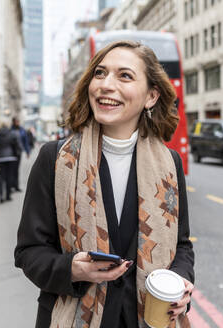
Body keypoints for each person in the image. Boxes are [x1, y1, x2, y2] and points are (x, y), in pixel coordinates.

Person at [14, 40, 195, 328]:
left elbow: (182, 245)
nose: (105, 85)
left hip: (149, 319)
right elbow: (28, 252)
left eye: (124, 75)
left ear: (151, 96)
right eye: (100, 73)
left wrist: (182, 283)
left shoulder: (169, 164)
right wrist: (70, 269)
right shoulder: (54, 159)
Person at [0, 121, 21, 203]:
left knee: (1, 177)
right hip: (11, 157)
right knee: (9, 176)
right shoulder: (12, 134)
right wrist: (16, 155)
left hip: (1, 158)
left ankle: (1, 196)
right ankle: (8, 196)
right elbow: (16, 145)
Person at [11, 117, 30, 192]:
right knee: (12, 169)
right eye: (16, 122)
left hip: (18, 152)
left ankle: (16, 186)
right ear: (13, 122)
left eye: (18, 122)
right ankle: (11, 185)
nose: (17, 123)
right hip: (11, 152)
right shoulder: (11, 130)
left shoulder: (22, 130)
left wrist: (27, 152)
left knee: (16, 169)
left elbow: (25, 141)